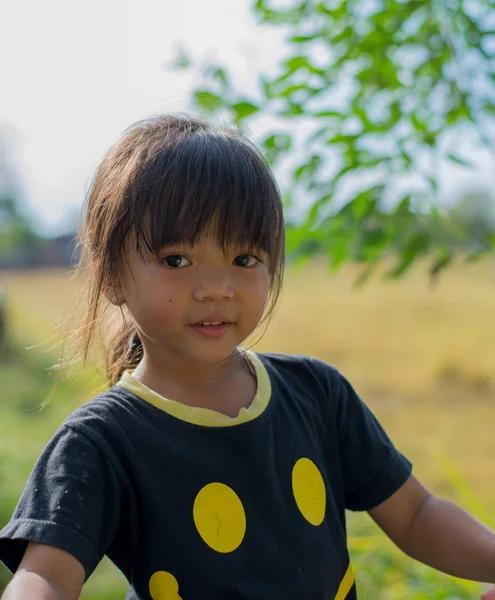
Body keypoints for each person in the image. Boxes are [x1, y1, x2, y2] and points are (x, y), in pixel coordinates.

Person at [0, 114, 494, 600]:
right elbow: (46, 576)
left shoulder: (317, 394)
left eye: (244, 259)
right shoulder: (103, 441)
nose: (216, 289)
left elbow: (414, 514)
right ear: (110, 276)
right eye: (177, 260)